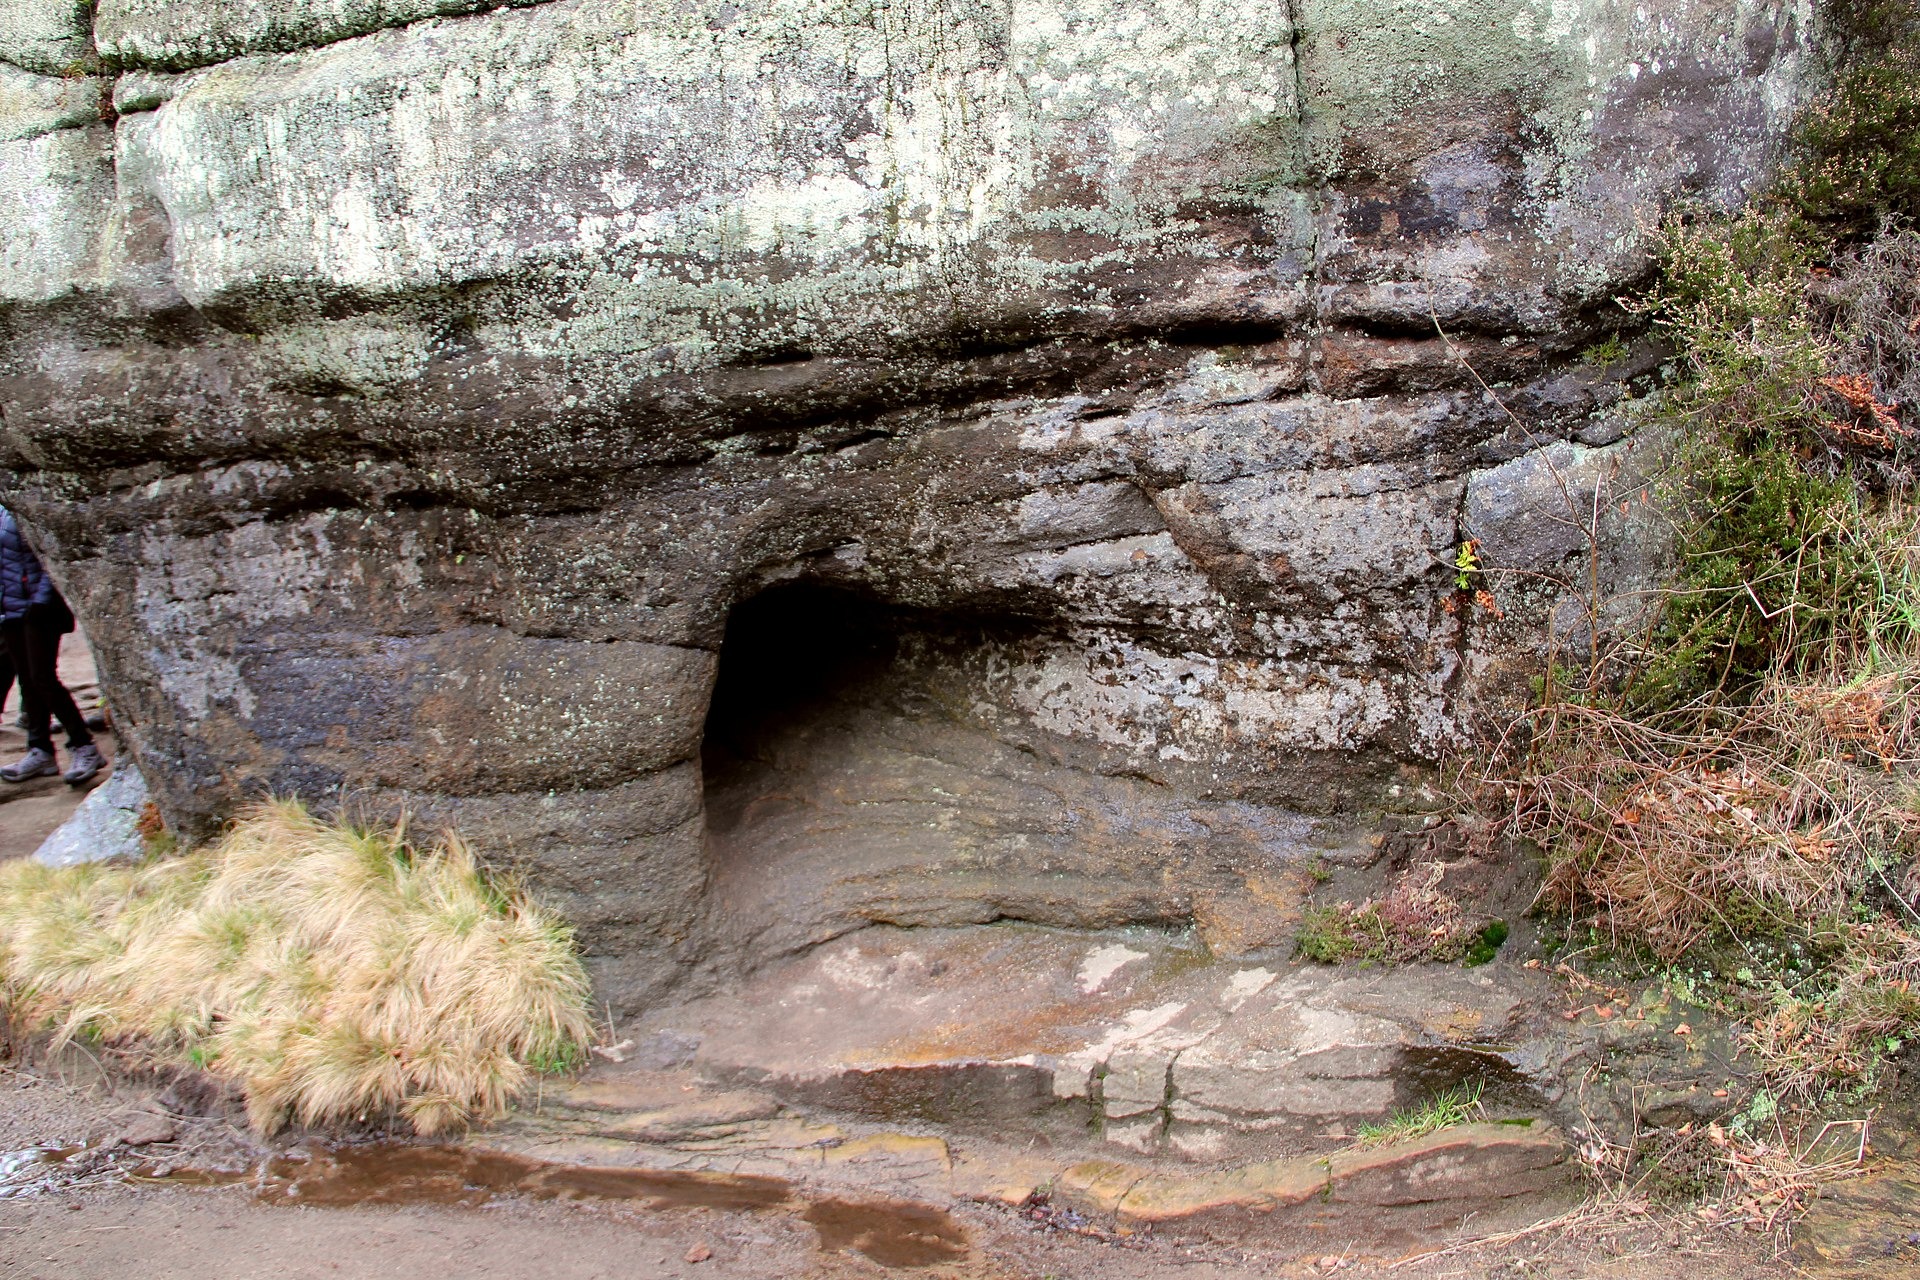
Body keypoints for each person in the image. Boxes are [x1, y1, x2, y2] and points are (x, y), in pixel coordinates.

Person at [0, 506, 105, 786]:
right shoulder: (2, 511)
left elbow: (54, 557)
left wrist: (41, 601)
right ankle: (40, 750)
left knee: (42, 678)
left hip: (38, 610)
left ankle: (83, 745)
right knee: (28, 681)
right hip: (9, 609)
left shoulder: (24, 503)